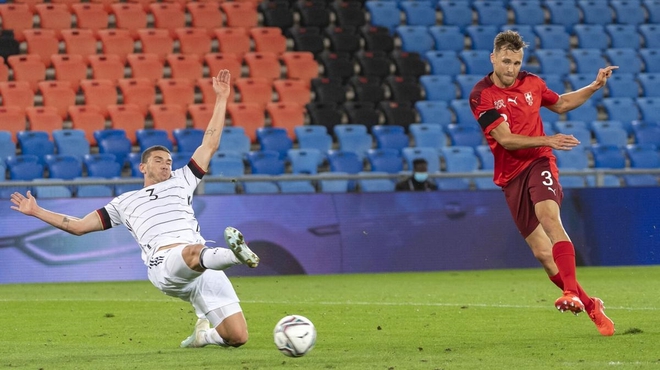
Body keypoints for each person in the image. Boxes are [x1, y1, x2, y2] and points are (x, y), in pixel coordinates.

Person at [10, 70, 261, 348]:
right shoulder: (124, 202)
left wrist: (222, 98)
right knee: (192, 252)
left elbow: (210, 142)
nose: (166, 164)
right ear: (143, 167)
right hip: (166, 264)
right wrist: (37, 211)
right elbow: (79, 226)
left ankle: (204, 336)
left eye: (168, 160)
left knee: (237, 337)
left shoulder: (183, 179)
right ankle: (236, 254)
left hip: (202, 264)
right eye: (158, 160)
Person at [468, 31, 616, 336]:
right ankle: (591, 305)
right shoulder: (481, 95)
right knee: (542, 254)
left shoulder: (532, 83)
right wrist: (549, 138)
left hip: (539, 162)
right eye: (506, 61)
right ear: (493, 58)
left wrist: (593, 86)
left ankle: (571, 293)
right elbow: (506, 140)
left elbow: (560, 104)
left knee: (550, 218)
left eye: (516, 62)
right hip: (510, 176)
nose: (510, 68)